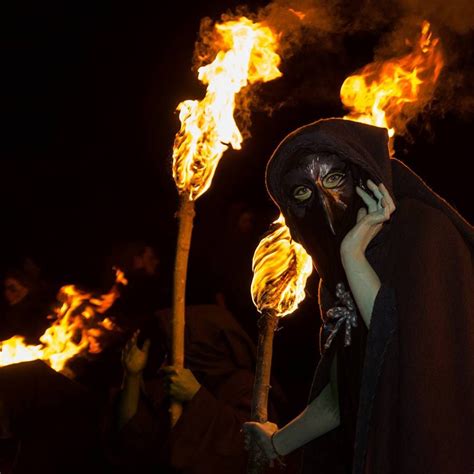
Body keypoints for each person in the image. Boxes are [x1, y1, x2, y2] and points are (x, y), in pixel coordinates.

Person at [243, 118, 473, 473]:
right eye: (303, 192)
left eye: (334, 179)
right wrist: (274, 443)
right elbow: (344, 394)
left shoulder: (425, 235)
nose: (325, 202)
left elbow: (406, 359)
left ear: (364, 177)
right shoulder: (334, 280)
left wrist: (352, 254)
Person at [106, 304, 286, 474]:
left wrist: (196, 396)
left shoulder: (244, 385)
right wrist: (132, 376)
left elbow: (247, 447)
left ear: (204, 345)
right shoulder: (175, 383)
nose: (166, 363)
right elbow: (132, 439)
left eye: (179, 346)